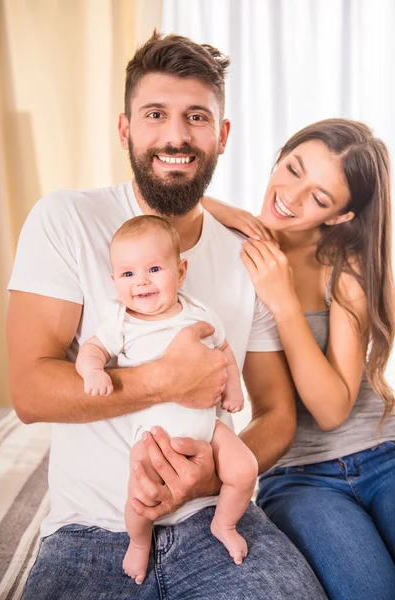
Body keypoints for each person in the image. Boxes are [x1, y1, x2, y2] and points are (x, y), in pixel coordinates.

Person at [7, 32, 327, 599]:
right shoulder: (65, 219)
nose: (176, 136)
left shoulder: (244, 251)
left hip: (216, 520)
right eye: (155, 114)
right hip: (90, 533)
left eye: (197, 117)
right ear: (125, 128)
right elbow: (29, 393)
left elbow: (277, 411)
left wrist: (212, 474)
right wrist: (166, 379)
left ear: (222, 135)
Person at [203, 117, 395, 600]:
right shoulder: (232, 247)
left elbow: (333, 409)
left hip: (384, 456)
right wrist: (213, 205)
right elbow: (153, 203)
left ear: (340, 217)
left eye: (320, 198)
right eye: (292, 168)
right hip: (300, 477)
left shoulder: (343, 264)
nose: (290, 194)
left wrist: (284, 301)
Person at [76, 214, 258, 583]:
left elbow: (223, 350)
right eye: (127, 274)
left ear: (181, 270)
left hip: (208, 428)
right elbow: (91, 349)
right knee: (141, 496)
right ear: (114, 282)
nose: (141, 280)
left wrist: (234, 388)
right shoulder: (121, 322)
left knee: (245, 469)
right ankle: (139, 544)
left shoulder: (199, 314)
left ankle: (224, 524)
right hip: (152, 434)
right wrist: (93, 371)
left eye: (154, 268)